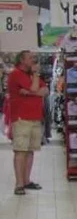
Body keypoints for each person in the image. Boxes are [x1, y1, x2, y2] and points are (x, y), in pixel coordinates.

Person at [8, 51, 47, 195]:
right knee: (20, 151)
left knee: (30, 151)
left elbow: (45, 90)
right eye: (30, 58)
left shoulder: (30, 75)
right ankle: (19, 184)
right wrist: (35, 80)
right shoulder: (16, 74)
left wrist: (30, 92)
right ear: (22, 60)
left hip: (35, 118)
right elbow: (36, 88)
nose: (33, 60)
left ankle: (26, 181)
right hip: (21, 118)